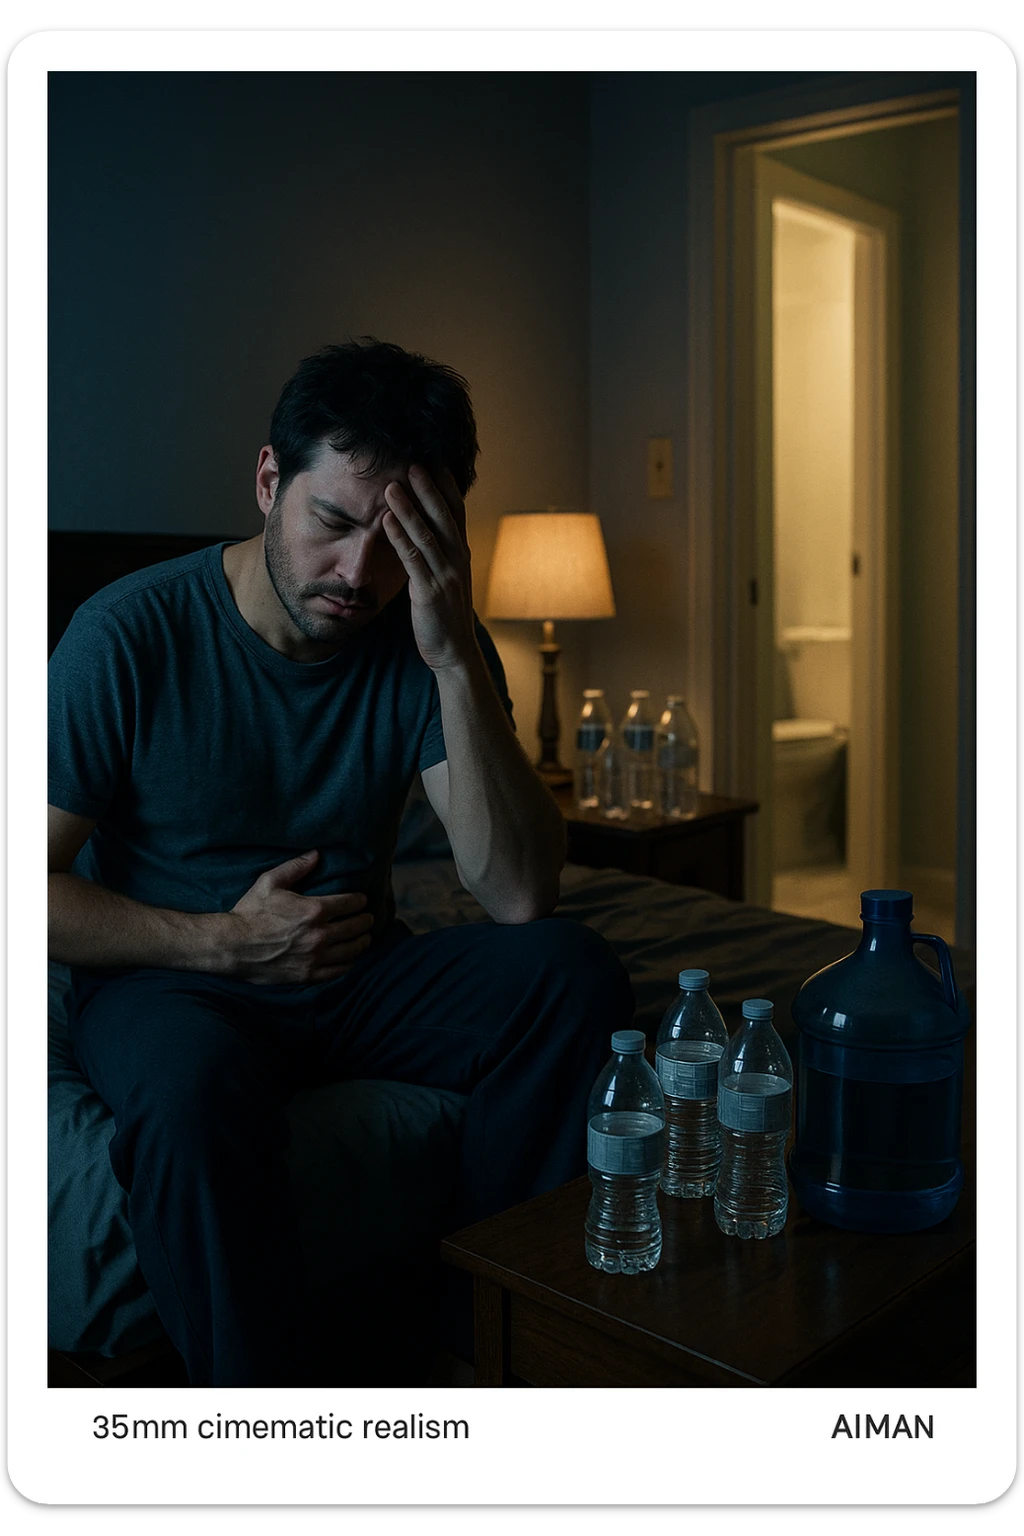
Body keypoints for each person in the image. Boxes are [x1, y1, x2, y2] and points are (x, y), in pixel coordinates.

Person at [47, 338, 635, 1386]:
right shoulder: (128, 633)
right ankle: (259, 1423)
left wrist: (452, 646)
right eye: (334, 522)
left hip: (354, 976)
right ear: (270, 479)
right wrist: (225, 944)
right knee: (188, 1101)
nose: (359, 573)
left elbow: (517, 893)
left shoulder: (425, 633)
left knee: (567, 971)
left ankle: (485, 1332)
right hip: (169, 982)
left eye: (400, 538)